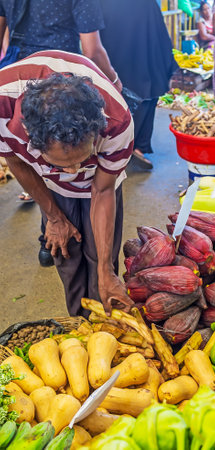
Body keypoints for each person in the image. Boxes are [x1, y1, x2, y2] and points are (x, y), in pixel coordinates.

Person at [0, 50, 135, 317]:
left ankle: (104, 325)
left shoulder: (117, 121)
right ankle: (80, 323)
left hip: (101, 181)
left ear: (96, 130)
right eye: (63, 164)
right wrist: (53, 216)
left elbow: (102, 189)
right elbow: (17, 162)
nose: (73, 172)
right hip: (48, 184)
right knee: (66, 253)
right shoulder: (3, 105)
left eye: (80, 158)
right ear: (30, 137)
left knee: (101, 259)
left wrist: (106, 271)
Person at [0, 0, 122, 267]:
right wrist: (112, 80)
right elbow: (92, 49)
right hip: (70, 82)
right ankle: (57, 229)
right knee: (68, 165)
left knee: (48, 165)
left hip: (21, 76)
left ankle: (49, 238)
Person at [98, 0, 178, 170]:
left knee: (117, 98)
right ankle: (137, 146)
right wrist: (167, 65)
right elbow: (159, 33)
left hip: (115, 55)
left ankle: (118, 149)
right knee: (146, 92)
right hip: (141, 53)